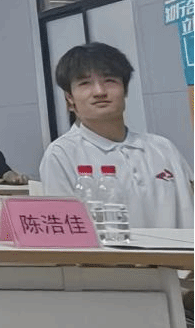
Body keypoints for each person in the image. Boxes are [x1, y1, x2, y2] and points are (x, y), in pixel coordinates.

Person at [40, 43, 193, 228]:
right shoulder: (61, 154)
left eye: (109, 81)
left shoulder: (163, 148)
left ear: (125, 90)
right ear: (69, 98)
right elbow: (66, 231)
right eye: (85, 83)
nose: (99, 92)